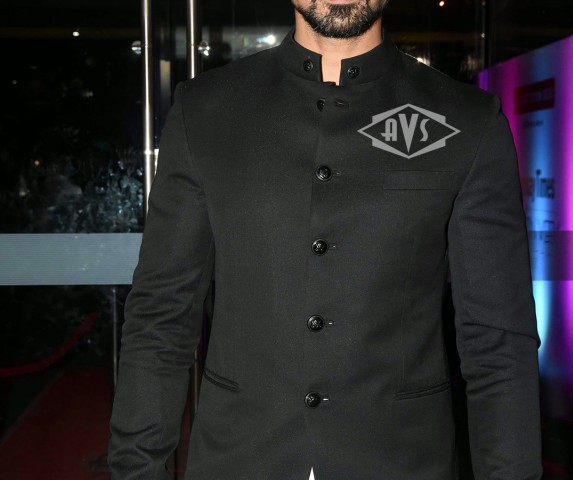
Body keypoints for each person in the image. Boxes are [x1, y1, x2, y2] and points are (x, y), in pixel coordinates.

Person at [108, 0, 542, 479]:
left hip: (403, 462)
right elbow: (161, 316)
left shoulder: (468, 121)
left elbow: (499, 340)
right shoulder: (205, 110)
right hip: (237, 459)